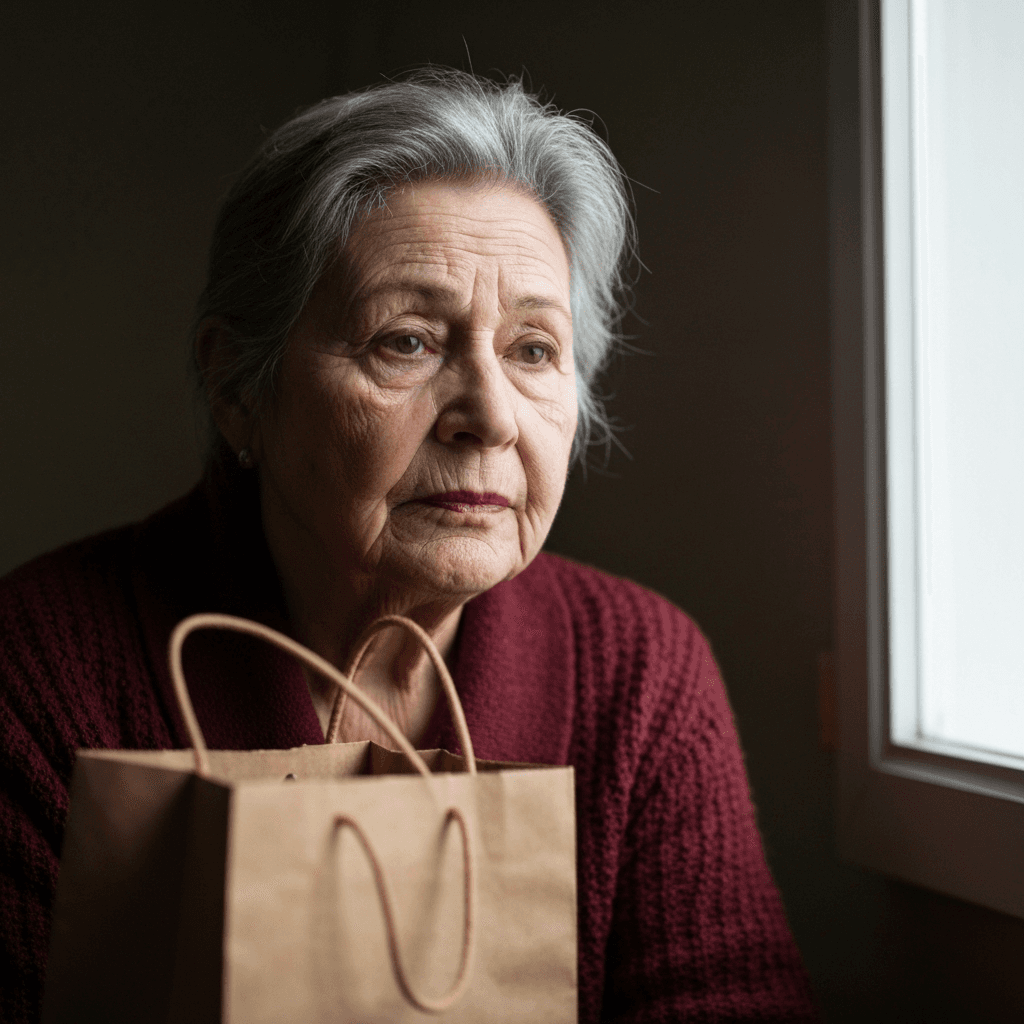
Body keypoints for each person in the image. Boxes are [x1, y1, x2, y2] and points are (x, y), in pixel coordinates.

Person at [0, 70, 819, 1022]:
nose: (489, 416)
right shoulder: (40, 676)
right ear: (237, 388)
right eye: (408, 341)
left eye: (533, 349)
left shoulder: (639, 671)